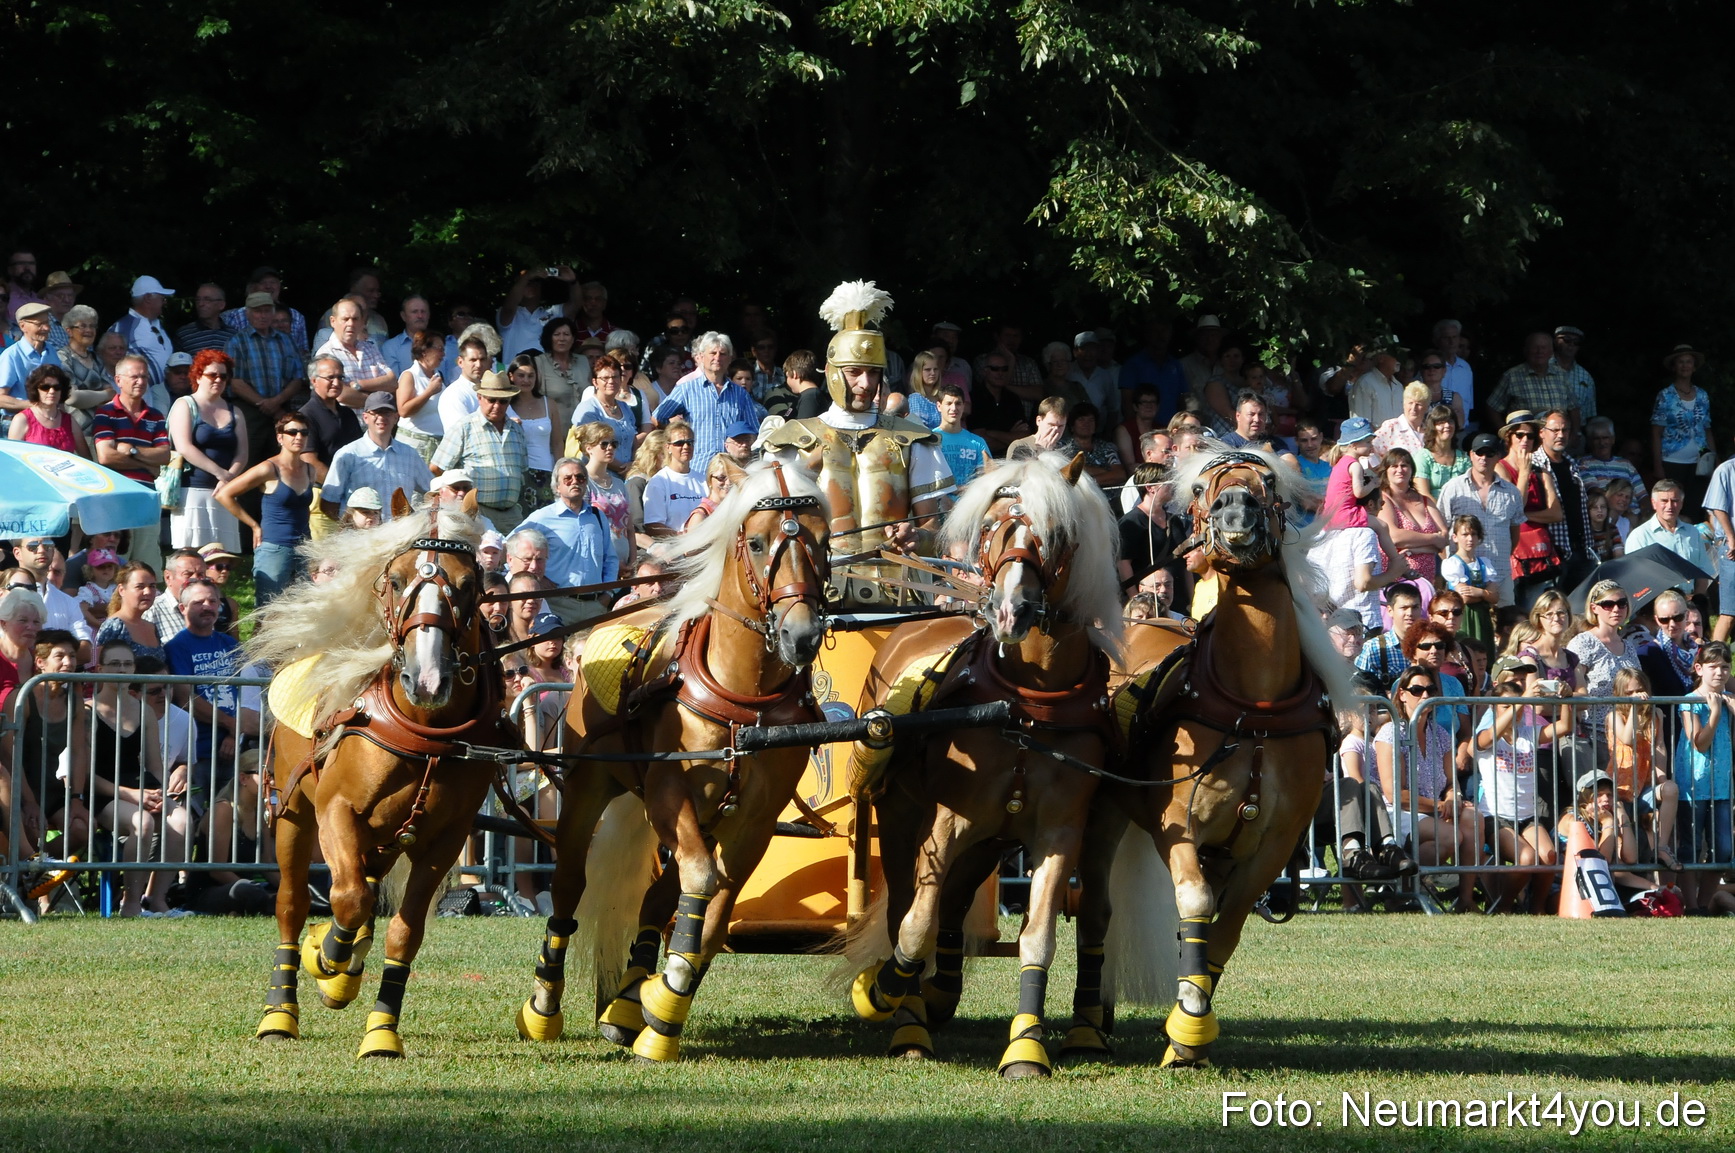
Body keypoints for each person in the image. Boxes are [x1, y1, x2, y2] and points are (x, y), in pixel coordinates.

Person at [762, 282, 954, 606]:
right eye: (854, 372)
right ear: (832, 372)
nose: (865, 383)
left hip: (901, 598)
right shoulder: (793, 440)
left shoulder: (913, 438)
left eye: (873, 373)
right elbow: (772, 531)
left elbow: (933, 531)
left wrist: (916, 537)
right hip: (817, 599)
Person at [87, 639, 184, 916]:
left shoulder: (145, 711)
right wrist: (131, 794)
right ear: (100, 669)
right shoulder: (86, 710)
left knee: (182, 821)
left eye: (127, 664)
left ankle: (156, 899)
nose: (121, 670)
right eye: (115, 664)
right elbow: (85, 774)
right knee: (142, 822)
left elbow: (155, 766)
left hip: (142, 788)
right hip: (104, 793)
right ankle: (130, 903)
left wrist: (162, 794)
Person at [1377, 665, 1478, 902]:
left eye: (1430, 690)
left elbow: (1451, 782)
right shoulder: (1391, 732)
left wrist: (1453, 797)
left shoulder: (1440, 734)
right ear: (1402, 694)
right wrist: (1440, 805)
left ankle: (1465, 899)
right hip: (1399, 812)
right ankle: (1401, 880)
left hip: (1433, 810)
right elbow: (1395, 795)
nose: (1425, 696)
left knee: (1474, 819)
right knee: (1450, 837)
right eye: (1417, 690)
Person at [1474, 676, 1569, 912]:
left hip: (1527, 816)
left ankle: (1536, 909)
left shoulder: (1528, 733)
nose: (1514, 711)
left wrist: (1566, 698)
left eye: (1517, 705)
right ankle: (1502, 907)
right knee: (1527, 858)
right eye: (1506, 706)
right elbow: (1486, 739)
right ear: (1494, 708)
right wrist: (1522, 700)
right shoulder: (1486, 734)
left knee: (1549, 856)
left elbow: (1564, 727)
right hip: (1496, 817)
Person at [214, 412, 320, 605]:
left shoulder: (310, 469)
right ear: (280, 437)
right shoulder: (269, 468)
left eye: (304, 433)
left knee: (303, 608)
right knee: (269, 608)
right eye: (292, 432)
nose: (299, 437)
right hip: (274, 546)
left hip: (304, 546)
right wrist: (254, 526)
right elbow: (224, 494)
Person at [520, 457, 619, 625]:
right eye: (568, 478)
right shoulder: (542, 517)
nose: (575, 482)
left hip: (595, 605)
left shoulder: (597, 516)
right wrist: (538, 579)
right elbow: (511, 548)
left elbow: (610, 559)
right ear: (557, 486)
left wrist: (608, 595)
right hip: (558, 605)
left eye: (580, 477)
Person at [164, 579, 245, 781]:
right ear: (182, 608)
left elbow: (249, 692)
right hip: (197, 750)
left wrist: (235, 733)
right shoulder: (176, 647)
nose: (207, 606)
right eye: (199, 602)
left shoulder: (230, 644)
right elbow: (185, 698)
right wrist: (231, 724)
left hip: (236, 746)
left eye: (212, 601)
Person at [167, 350, 247, 552]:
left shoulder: (235, 411)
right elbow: (184, 447)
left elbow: (242, 453)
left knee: (222, 555)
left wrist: (228, 479)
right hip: (191, 490)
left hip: (225, 492)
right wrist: (221, 473)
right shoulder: (185, 405)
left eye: (223, 376)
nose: (218, 380)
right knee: (190, 553)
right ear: (198, 376)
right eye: (212, 375)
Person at [1675, 641, 1734, 910]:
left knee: (1723, 850)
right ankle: (1691, 906)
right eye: (1713, 667)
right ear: (1699, 669)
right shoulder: (1690, 701)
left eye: (1725, 667)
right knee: (1690, 847)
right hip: (1693, 785)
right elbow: (1699, 742)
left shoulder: (1729, 698)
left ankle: (1703, 904)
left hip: (1722, 786)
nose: (1720, 672)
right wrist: (1715, 714)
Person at [431, 372, 528, 526]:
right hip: (476, 512)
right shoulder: (464, 427)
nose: (497, 405)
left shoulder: (517, 430)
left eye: (503, 401)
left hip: (511, 513)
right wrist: (459, 494)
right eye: (491, 400)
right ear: (479, 397)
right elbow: (437, 467)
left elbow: (522, 469)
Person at [320, 392, 430, 523]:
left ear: (396, 417)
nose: (381, 418)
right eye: (376, 413)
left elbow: (431, 490)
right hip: (363, 533)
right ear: (365, 417)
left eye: (387, 413)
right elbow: (328, 502)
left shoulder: (410, 455)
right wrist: (350, 526)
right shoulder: (348, 454)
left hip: (400, 532)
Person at [1310, 495, 1414, 631]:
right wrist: (1393, 573)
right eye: (1381, 502)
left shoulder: (1319, 534)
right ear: (1370, 504)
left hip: (1329, 624)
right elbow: (1363, 582)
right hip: (1360, 623)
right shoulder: (1365, 533)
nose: (1382, 507)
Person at [1567, 580, 1640, 744]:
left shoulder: (1629, 646)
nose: (1616, 609)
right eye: (1608, 604)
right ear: (1594, 608)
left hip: (1628, 734)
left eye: (1622, 603)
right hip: (1594, 735)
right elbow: (1573, 687)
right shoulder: (1583, 642)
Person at [1651, 344, 1714, 515]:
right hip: (1672, 461)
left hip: (1700, 463)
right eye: (1681, 362)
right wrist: (1658, 466)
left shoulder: (1703, 395)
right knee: (1673, 508)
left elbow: (1707, 429)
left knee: (1697, 508)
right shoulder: (1665, 395)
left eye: (1688, 362)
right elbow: (1656, 433)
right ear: (1674, 366)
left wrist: (1714, 459)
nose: (1685, 365)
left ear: (1694, 367)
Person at [1487, 332, 1578, 442]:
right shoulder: (1512, 376)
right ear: (1526, 351)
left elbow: (1574, 408)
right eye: (1535, 347)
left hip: (1558, 440)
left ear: (1551, 352)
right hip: (1527, 442)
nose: (1539, 351)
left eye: (1544, 348)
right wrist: (1507, 435)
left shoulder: (1562, 376)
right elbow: (1493, 408)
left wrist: (1574, 433)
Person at [1625, 479, 1711, 596]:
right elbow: (1636, 579)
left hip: (1691, 600)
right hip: (1657, 602)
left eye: (1675, 501)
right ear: (1654, 503)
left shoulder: (1692, 532)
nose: (1670, 506)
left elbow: (1703, 572)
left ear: (1681, 503)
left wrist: (1697, 600)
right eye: (1664, 501)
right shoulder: (1640, 536)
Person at [1377, 448, 1448, 585]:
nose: (1400, 470)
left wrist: (1414, 549)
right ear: (1386, 470)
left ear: (1412, 469)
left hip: (1428, 579)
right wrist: (1433, 538)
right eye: (1394, 466)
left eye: (1404, 465)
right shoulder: (1383, 499)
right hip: (1398, 579)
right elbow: (1394, 537)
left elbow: (1444, 538)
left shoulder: (1425, 500)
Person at [571, 423, 633, 573]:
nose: (610, 448)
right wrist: (610, 563)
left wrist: (633, 561)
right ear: (589, 448)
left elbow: (630, 528)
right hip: (598, 563)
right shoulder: (582, 482)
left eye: (613, 444)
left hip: (625, 562)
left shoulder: (619, 484)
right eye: (604, 444)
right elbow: (583, 529)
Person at [317, 297, 395, 406]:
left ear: (362, 322)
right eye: (345, 319)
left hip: (376, 417)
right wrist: (377, 401)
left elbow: (392, 383)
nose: (351, 324)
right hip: (346, 417)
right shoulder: (326, 354)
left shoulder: (370, 349)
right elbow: (341, 395)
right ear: (333, 321)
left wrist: (357, 385)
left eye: (355, 319)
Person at [107, 276, 177, 394]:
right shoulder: (122, 328)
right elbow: (109, 364)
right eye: (162, 298)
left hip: (165, 396)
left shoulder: (157, 325)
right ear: (148, 298)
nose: (164, 302)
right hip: (139, 396)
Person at [571, 354, 642, 468]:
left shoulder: (625, 407)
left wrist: (633, 465)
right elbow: (591, 447)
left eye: (615, 377)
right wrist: (622, 468)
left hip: (629, 470)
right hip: (599, 472)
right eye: (605, 378)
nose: (611, 381)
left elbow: (633, 441)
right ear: (595, 382)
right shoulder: (587, 409)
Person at [640, 420, 705, 537]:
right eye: (679, 443)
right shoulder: (659, 482)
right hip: (674, 545)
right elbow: (653, 525)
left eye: (690, 442)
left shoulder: (703, 480)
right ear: (668, 447)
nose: (686, 447)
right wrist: (682, 537)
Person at [93, 562, 166, 664]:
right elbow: (102, 668)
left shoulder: (152, 627)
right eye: (140, 586)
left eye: (152, 586)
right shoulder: (114, 627)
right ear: (122, 590)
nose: (148, 592)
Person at [7, 364, 87, 455]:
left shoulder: (70, 421)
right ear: (35, 390)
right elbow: (13, 457)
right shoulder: (21, 420)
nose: (52, 391)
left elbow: (86, 458)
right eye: (45, 387)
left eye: (57, 387)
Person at [1355, 582, 1424, 686]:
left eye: (1415, 607)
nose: (1410, 613)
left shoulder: (1430, 646)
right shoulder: (1373, 648)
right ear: (1390, 610)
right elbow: (1360, 688)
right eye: (1404, 608)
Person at [393, 329, 446, 462]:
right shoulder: (409, 376)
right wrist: (428, 392)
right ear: (424, 351)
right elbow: (403, 410)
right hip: (414, 444)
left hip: (437, 445)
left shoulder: (437, 375)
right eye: (439, 349)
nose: (443, 354)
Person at [0, 302, 64, 412]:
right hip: (16, 420)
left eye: (47, 322)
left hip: (48, 418)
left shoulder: (51, 351)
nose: (46, 328)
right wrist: (34, 405)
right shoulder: (12, 355)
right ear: (22, 326)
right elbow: (1, 398)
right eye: (39, 324)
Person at [1577, 416, 1647, 510]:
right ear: (1589, 442)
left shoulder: (1626, 465)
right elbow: (1595, 492)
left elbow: (1643, 496)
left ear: (1613, 439)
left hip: (1635, 516)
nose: (1602, 443)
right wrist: (1624, 512)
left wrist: (1645, 514)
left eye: (1605, 438)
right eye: (1596, 439)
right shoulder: (1583, 463)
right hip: (1607, 515)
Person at [934, 385, 992, 487]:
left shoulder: (978, 442)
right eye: (949, 403)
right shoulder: (930, 440)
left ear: (963, 406)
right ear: (939, 406)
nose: (954, 408)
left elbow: (988, 478)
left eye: (958, 403)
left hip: (971, 496)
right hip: (940, 497)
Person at [1061, 402, 1125, 489]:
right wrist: (1104, 472)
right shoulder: (1063, 447)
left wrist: (1088, 481)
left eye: (1091, 420)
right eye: (1081, 419)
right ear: (1072, 425)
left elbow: (1120, 475)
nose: (1086, 424)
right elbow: (1065, 472)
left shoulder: (1106, 447)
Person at [436, 334, 490, 436]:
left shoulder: (493, 390)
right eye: (473, 360)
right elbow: (463, 433)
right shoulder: (453, 394)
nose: (478, 365)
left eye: (482, 359)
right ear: (460, 362)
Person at [1412, 404, 1467, 499]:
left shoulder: (1463, 458)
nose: (1447, 425)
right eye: (1441, 422)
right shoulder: (1422, 457)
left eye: (1450, 421)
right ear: (1432, 427)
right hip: (1431, 507)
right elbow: (1423, 495)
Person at [682, 455, 747, 533]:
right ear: (710, 480)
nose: (728, 483)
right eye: (721, 478)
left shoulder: (737, 512)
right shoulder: (700, 516)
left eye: (733, 478)